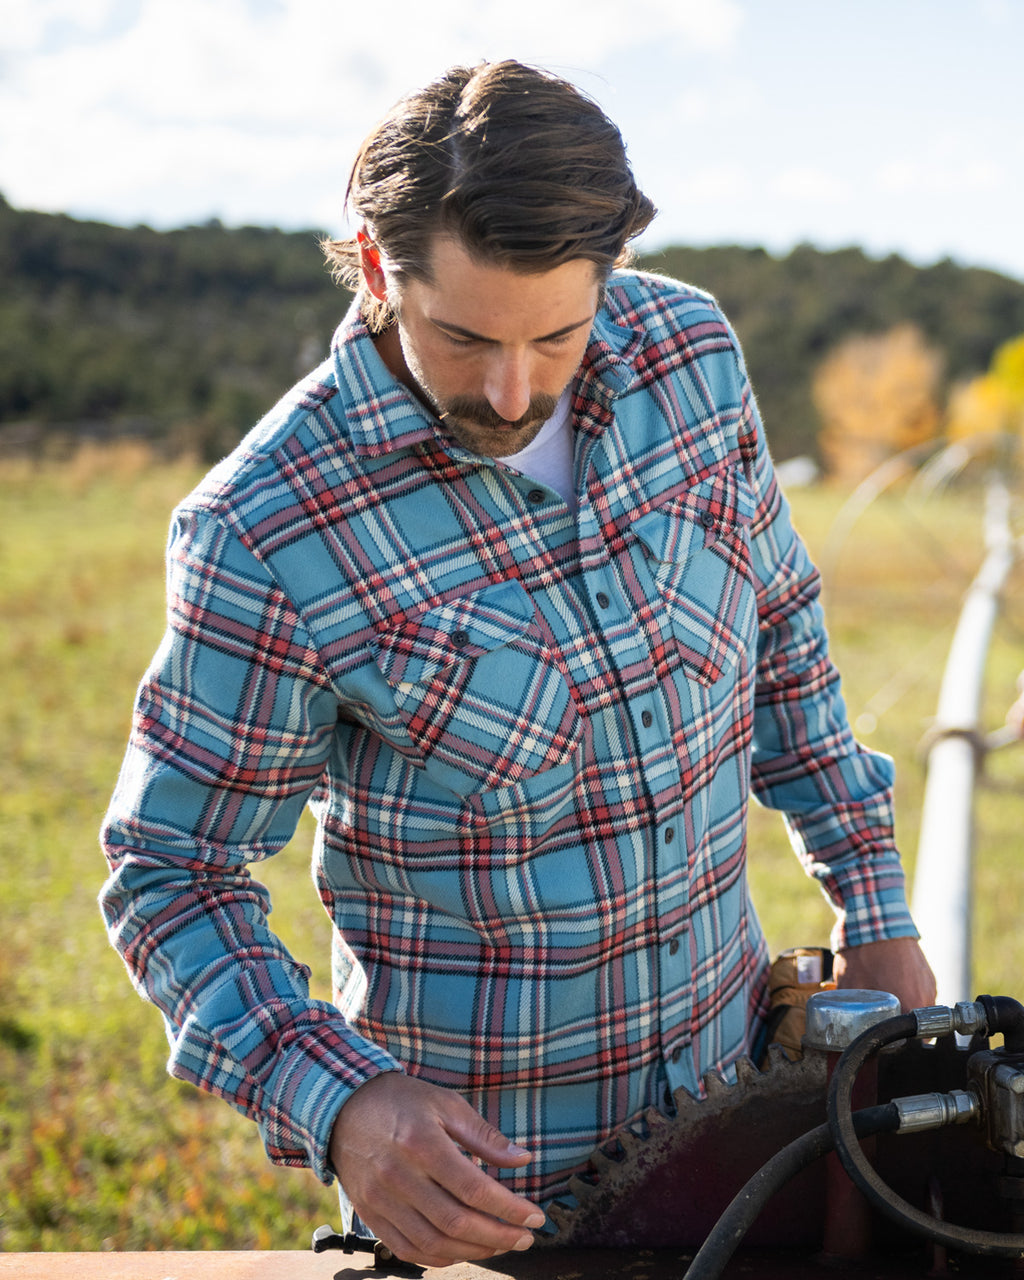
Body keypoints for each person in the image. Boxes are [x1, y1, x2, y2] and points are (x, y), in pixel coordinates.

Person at [99, 59, 935, 1269]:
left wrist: (876, 899)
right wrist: (342, 1105)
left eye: (556, 333)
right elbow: (168, 868)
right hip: (491, 1210)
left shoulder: (690, 359)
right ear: (378, 268)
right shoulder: (270, 527)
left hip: (742, 1126)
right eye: (463, 336)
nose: (511, 388)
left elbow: (781, 629)